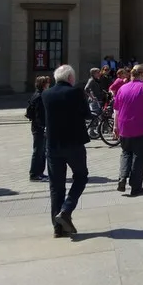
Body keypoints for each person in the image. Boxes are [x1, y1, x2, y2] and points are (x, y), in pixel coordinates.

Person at [42, 65, 90, 238]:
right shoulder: (75, 92)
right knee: (81, 176)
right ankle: (66, 210)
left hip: (53, 146)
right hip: (74, 144)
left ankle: (58, 228)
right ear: (70, 78)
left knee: (56, 187)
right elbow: (86, 114)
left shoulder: (45, 94)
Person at [114, 65, 143, 196]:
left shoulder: (122, 88)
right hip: (141, 127)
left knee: (126, 153)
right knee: (138, 157)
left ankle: (122, 177)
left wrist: (115, 126)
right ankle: (136, 187)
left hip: (123, 126)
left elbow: (116, 110)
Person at [26, 75, 50, 181]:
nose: (49, 84)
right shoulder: (40, 96)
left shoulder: (38, 94)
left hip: (38, 127)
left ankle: (40, 172)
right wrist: (43, 127)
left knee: (42, 150)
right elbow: (39, 114)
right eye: (47, 83)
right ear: (44, 84)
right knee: (38, 151)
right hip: (39, 128)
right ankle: (34, 174)